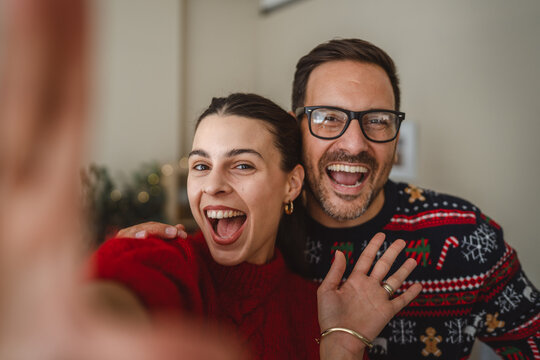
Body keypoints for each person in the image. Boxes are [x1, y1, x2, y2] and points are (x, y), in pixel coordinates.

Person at [122, 38, 539, 359]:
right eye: (328, 118)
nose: (354, 144)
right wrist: (129, 256)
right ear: (294, 127)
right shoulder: (253, 236)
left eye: (377, 120)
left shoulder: (463, 235)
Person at [91, 93, 422, 360]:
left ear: (291, 184)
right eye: (201, 165)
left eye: (243, 165)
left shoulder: (321, 313)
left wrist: (342, 350)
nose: (213, 185)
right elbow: (109, 302)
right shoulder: (165, 257)